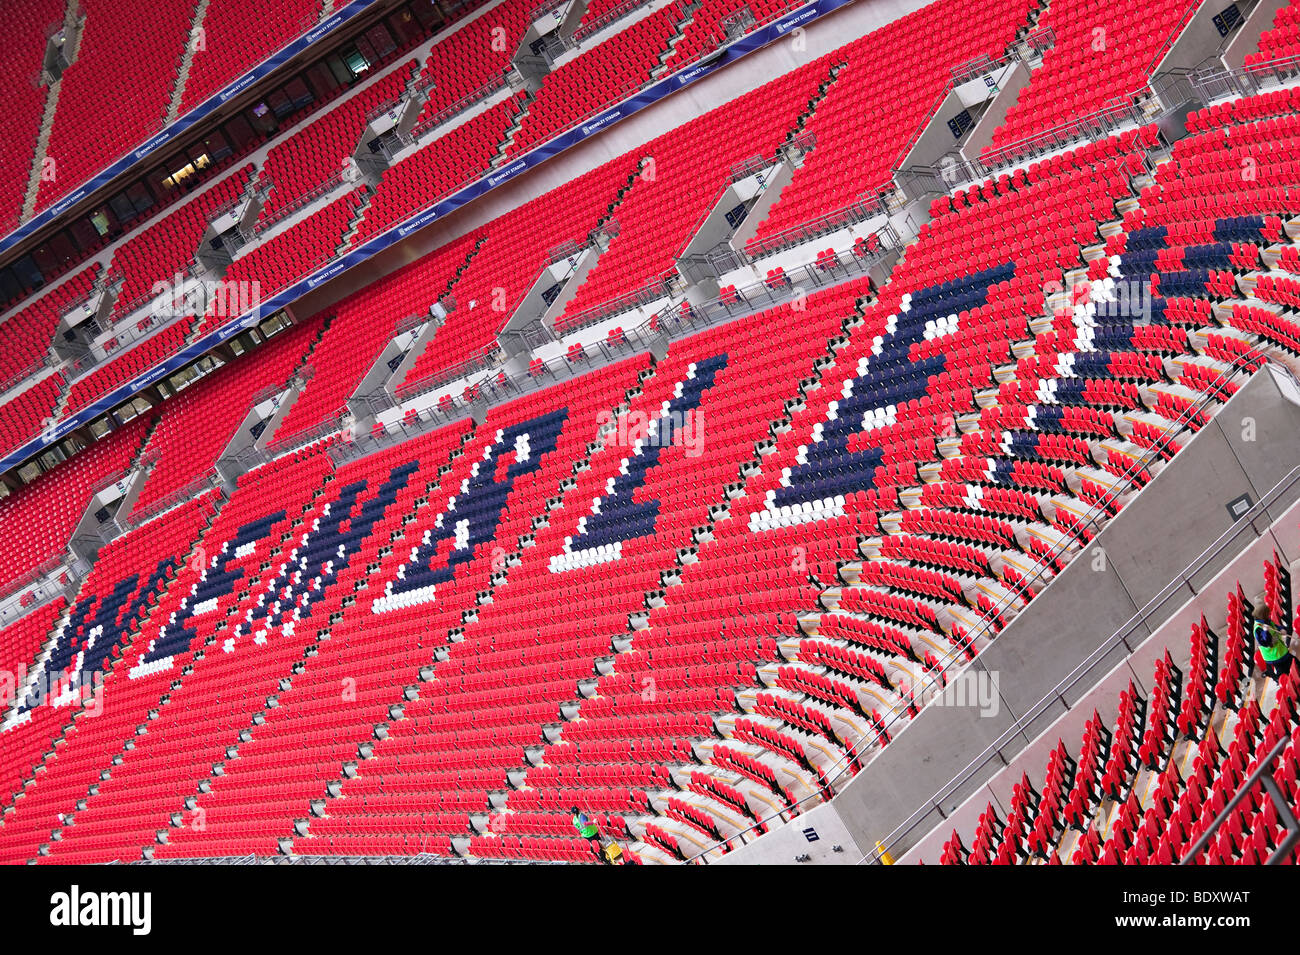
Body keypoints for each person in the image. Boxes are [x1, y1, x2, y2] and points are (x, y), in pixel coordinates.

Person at [1252, 605, 1293, 680]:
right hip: (1274, 657)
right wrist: (1265, 631)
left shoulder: (1266, 620)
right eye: (1268, 614)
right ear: (1263, 615)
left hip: (1282, 651)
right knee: (1283, 677)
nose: (1269, 615)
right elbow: (1265, 643)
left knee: (1295, 664)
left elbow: (1275, 626)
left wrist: (1281, 629)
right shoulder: (1258, 629)